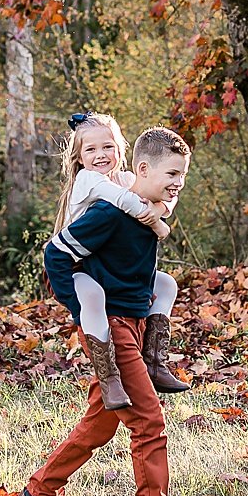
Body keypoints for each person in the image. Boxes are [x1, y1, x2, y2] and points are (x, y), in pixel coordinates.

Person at [14, 127, 211, 496]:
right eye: (171, 173)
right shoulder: (107, 212)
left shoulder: (148, 208)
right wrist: (82, 312)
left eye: (182, 175)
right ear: (142, 168)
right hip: (110, 326)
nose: (178, 183)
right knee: (148, 422)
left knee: (100, 423)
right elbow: (55, 255)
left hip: (137, 322)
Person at [52, 111, 189, 410]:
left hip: (106, 267)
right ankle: (109, 375)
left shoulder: (122, 177)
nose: (101, 155)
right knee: (92, 296)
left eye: (108, 147)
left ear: (120, 149)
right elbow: (129, 201)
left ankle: (155, 359)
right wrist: (158, 223)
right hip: (80, 267)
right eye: (91, 149)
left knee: (166, 284)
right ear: (79, 157)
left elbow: (160, 191)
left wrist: (163, 203)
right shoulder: (89, 179)